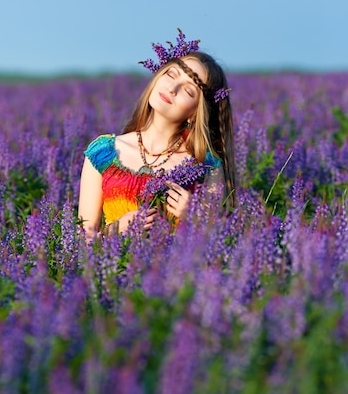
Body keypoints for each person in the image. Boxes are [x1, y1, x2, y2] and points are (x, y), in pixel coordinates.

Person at [78, 29, 236, 242]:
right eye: (171, 74)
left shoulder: (206, 165)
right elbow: (81, 244)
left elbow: (218, 246)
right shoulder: (103, 153)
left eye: (189, 91)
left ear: (195, 113)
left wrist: (197, 217)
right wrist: (114, 232)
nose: (172, 88)